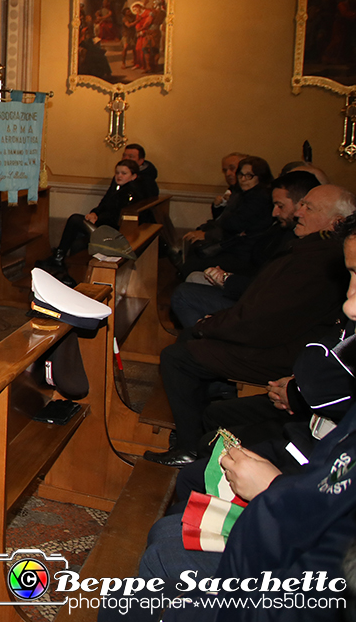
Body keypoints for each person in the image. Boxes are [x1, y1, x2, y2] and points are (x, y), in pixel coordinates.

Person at [108, 215, 356, 621]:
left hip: (300, 577)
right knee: (173, 525)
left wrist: (273, 490)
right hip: (299, 449)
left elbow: (333, 566)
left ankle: (191, 451)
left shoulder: (314, 264)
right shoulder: (301, 250)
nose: (349, 301)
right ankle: (193, 453)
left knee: (167, 553)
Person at [145, 184, 356, 466]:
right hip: (271, 336)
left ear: (336, 222)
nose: (298, 212)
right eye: (301, 204)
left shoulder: (318, 259)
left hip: (280, 349)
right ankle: (196, 424)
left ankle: (188, 447)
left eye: (309, 208)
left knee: (177, 357)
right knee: (189, 339)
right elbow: (262, 305)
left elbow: (265, 320)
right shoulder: (311, 248)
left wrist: (209, 326)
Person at [170, 170, 320, 329]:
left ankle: (205, 338)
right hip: (251, 285)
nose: (275, 212)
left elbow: (268, 290)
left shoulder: (301, 240)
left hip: (259, 309)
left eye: (279, 205)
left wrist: (227, 279)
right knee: (193, 274)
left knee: (183, 293)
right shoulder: (286, 231)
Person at [40, 158, 144, 287]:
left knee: (75, 219)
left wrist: (97, 219)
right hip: (104, 227)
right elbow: (103, 205)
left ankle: (58, 258)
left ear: (133, 176)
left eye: (124, 173)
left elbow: (116, 217)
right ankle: (70, 274)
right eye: (117, 173)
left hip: (113, 234)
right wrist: (94, 213)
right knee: (78, 242)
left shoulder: (130, 192)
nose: (119, 176)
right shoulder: (117, 187)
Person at [176, 155, 275, 276]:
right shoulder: (244, 194)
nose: (243, 179)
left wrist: (229, 216)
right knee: (196, 253)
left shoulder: (259, 197)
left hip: (245, 254)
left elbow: (233, 224)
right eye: (241, 175)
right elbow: (226, 220)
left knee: (193, 264)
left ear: (260, 177)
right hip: (237, 246)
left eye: (249, 176)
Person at [211, 152, 246, 218]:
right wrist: (217, 205)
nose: (227, 174)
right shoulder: (232, 189)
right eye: (225, 170)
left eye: (232, 169)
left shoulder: (253, 193)